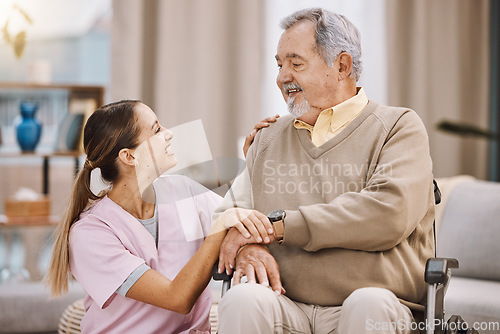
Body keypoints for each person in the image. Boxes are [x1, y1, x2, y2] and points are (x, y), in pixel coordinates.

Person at [215, 8, 435, 334]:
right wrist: (246, 246)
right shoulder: (267, 137)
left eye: (296, 63)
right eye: (279, 64)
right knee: (242, 300)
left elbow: (389, 213)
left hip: (371, 304)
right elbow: (229, 218)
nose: (281, 77)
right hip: (286, 304)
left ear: (342, 66)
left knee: (368, 304)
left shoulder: (398, 127)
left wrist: (279, 227)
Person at [46, 100, 275, 334]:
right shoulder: (90, 233)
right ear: (129, 157)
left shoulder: (184, 192)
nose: (169, 134)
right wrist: (219, 229)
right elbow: (177, 298)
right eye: (156, 130)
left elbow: (243, 218)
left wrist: (253, 164)